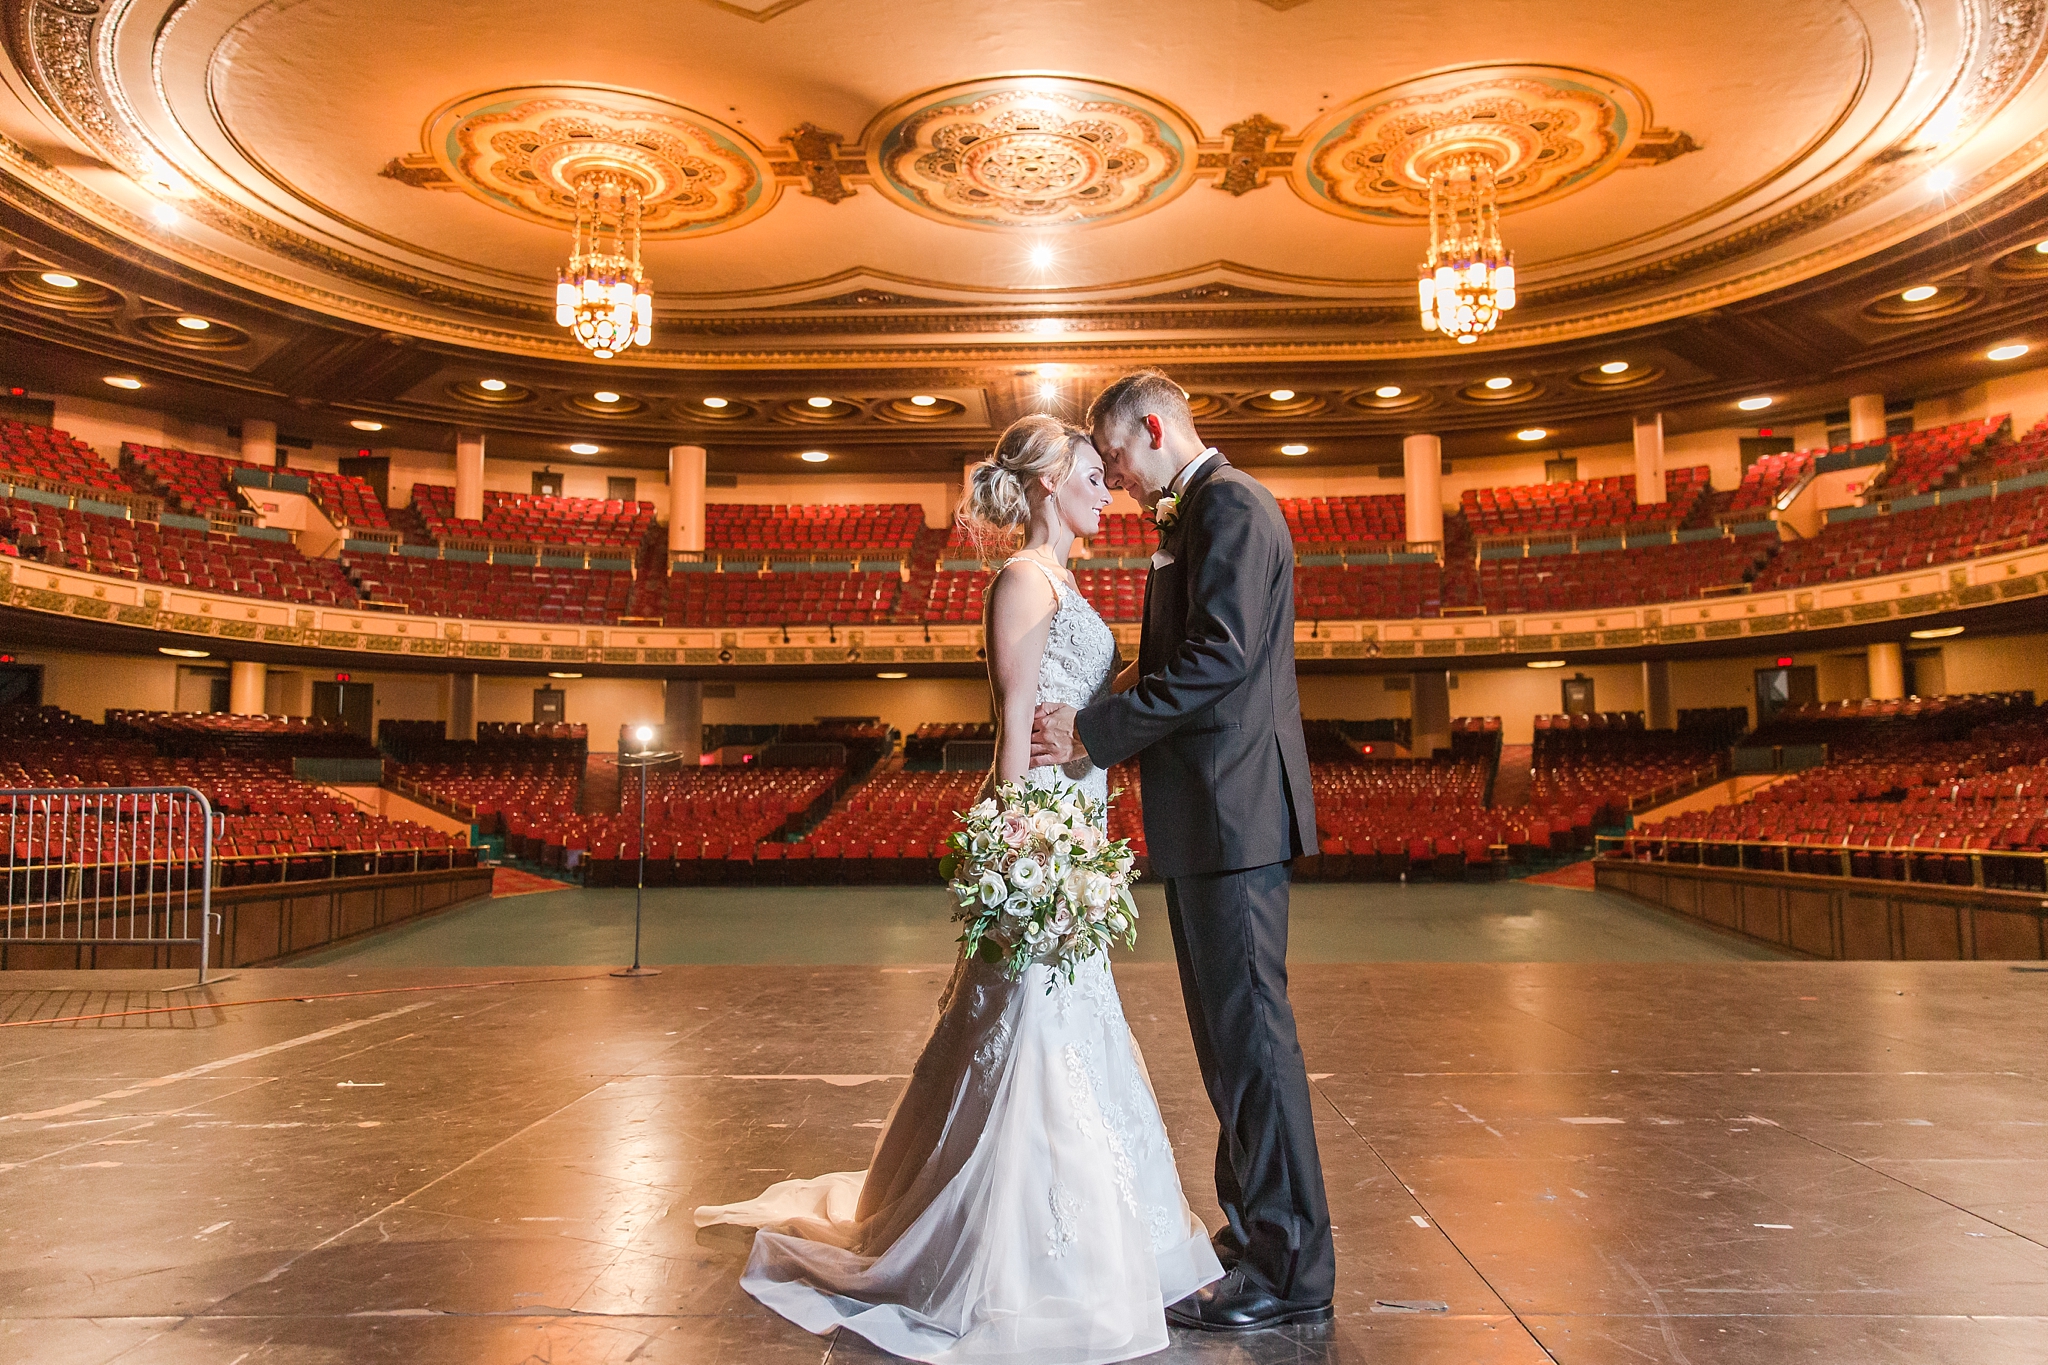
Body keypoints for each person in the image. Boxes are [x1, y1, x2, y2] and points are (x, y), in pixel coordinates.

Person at [695, 414, 1222, 1363]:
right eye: (1092, 474)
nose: (1109, 487)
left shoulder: (1068, 579)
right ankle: (1012, 1256)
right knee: (1027, 1029)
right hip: (1041, 839)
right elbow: (1014, 727)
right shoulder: (1023, 580)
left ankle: (1103, 1238)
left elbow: (1090, 704)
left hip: (1078, 829)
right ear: (1047, 484)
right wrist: (1024, 854)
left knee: (1075, 1028)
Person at [1030, 369, 1336, 1332]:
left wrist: (1093, 731)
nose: (1113, 480)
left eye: (1115, 457)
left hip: (1236, 813)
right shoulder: (1197, 515)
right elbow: (1178, 661)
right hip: (1209, 816)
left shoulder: (1230, 506)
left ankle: (1289, 1266)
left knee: (1253, 1044)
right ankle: (1253, 1234)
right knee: (1226, 1046)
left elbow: (1221, 659)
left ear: (1154, 429)